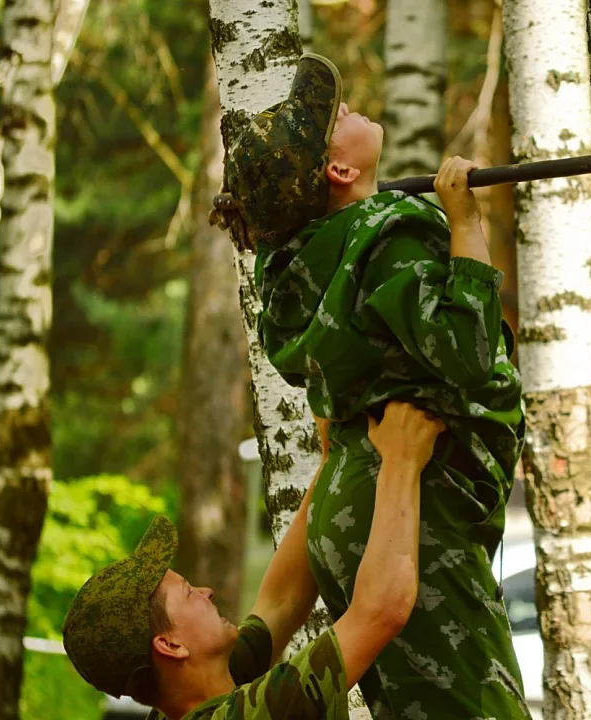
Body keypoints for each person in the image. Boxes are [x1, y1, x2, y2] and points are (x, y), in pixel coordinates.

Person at [213, 54, 530, 718]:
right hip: (413, 502)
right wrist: (467, 227)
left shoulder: (298, 262)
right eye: (341, 116)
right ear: (340, 171)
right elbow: (468, 352)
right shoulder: (388, 240)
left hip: (357, 501)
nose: (351, 108)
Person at [62, 401, 445, 720]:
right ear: (171, 646)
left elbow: (281, 602)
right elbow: (381, 609)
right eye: (188, 593)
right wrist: (402, 461)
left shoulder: (185, 696)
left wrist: (328, 461)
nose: (207, 591)